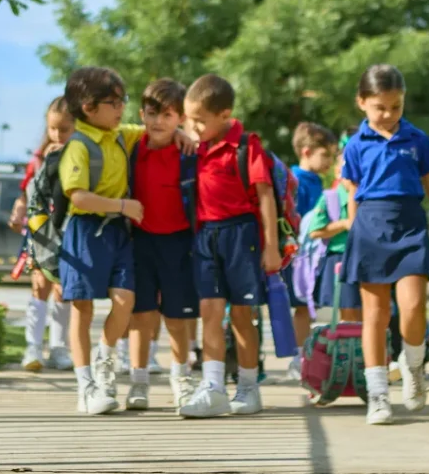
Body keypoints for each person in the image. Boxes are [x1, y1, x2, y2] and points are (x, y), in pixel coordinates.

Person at [58, 66, 193, 415]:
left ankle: (104, 361)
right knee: (82, 308)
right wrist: (123, 205)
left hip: (119, 232)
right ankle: (86, 385)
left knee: (125, 300)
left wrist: (182, 133)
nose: (121, 109)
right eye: (113, 102)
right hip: (85, 231)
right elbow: (78, 197)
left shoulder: (122, 134)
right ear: (88, 107)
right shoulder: (78, 145)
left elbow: (158, 129)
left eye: (123, 102)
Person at [339, 64, 429, 426]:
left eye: (396, 106)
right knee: (375, 316)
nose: (389, 114)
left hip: (410, 226)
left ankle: (412, 368)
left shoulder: (416, 139)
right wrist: (353, 233)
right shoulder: (355, 145)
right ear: (362, 102)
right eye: (380, 107)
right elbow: (352, 192)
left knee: (412, 308)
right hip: (369, 229)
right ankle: (377, 395)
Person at [179, 74, 282, 418]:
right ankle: (213, 387)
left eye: (199, 120)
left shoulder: (246, 146)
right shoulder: (197, 147)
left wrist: (271, 246)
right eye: (189, 119)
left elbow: (265, 196)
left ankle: (249, 387)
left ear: (225, 115)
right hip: (206, 235)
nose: (193, 126)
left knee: (242, 314)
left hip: (242, 234)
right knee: (209, 308)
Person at [126, 78, 199, 411]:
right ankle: (138, 382)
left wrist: (187, 137)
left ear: (180, 118)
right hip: (140, 241)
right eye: (153, 113)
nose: (159, 121)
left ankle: (181, 378)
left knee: (177, 318)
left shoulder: (188, 153)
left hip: (179, 242)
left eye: (168, 115)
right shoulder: (131, 146)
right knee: (141, 315)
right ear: (142, 114)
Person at [9, 98, 74, 372]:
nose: (58, 135)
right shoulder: (39, 158)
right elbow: (25, 192)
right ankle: (33, 346)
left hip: (68, 229)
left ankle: (59, 347)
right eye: (53, 129)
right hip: (40, 231)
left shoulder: (79, 157)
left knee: (62, 289)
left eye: (64, 129)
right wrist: (19, 210)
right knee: (39, 285)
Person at [286, 122, 338, 379]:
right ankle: (299, 357)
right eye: (325, 154)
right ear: (307, 151)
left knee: (311, 307)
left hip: (315, 254)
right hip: (300, 257)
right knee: (302, 307)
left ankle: (308, 355)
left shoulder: (318, 182)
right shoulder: (294, 180)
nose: (329, 160)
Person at [310, 142, 362, 322]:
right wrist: (343, 224)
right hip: (340, 258)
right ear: (338, 172)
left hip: (365, 258)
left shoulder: (368, 198)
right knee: (348, 311)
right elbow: (315, 231)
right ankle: (350, 347)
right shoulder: (330, 198)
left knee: (370, 310)